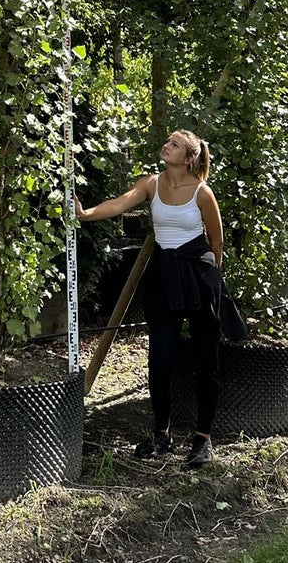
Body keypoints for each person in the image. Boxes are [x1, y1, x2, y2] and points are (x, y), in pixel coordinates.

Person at [76, 129, 227, 468]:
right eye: (167, 141)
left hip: (197, 274)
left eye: (174, 144)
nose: (166, 145)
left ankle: (203, 439)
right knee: (160, 357)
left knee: (206, 357)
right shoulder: (151, 183)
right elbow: (119, 204)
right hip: (162, 274)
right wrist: (85, 214)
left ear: (188, 158)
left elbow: (216, 244)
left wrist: (208, 283)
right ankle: (162, 433)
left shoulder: (203, 193)